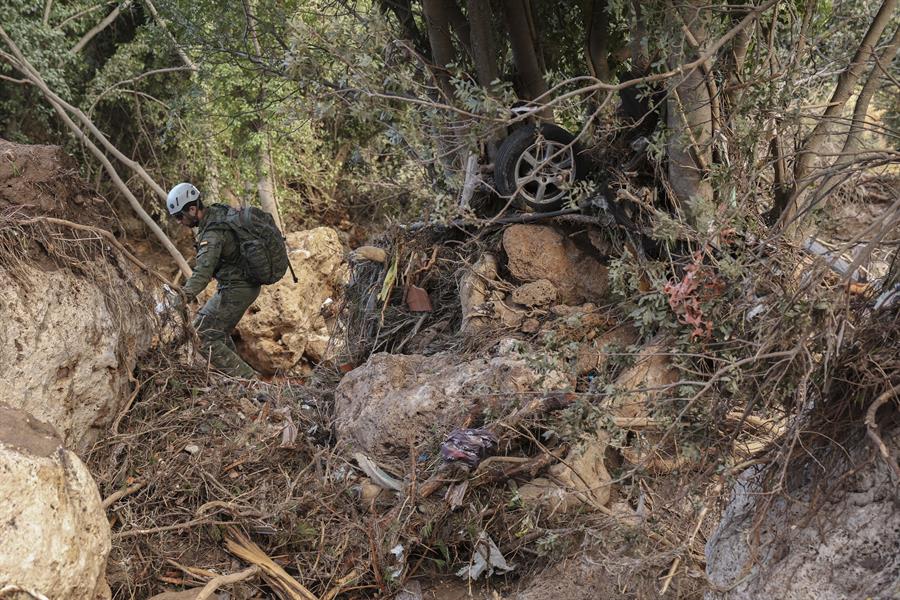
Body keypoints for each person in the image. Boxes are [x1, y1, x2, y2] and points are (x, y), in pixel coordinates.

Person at [166, 182, 259, 379]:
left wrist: (178, 299)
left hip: (238, 288)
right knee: (213, 331)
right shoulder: (218, 212)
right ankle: (242, 379)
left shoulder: (212, 233)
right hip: (238, 285)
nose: (179, 222)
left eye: (179, 216)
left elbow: (202, 274)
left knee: (202, 336)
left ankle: (251, 383)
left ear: (192, 209)